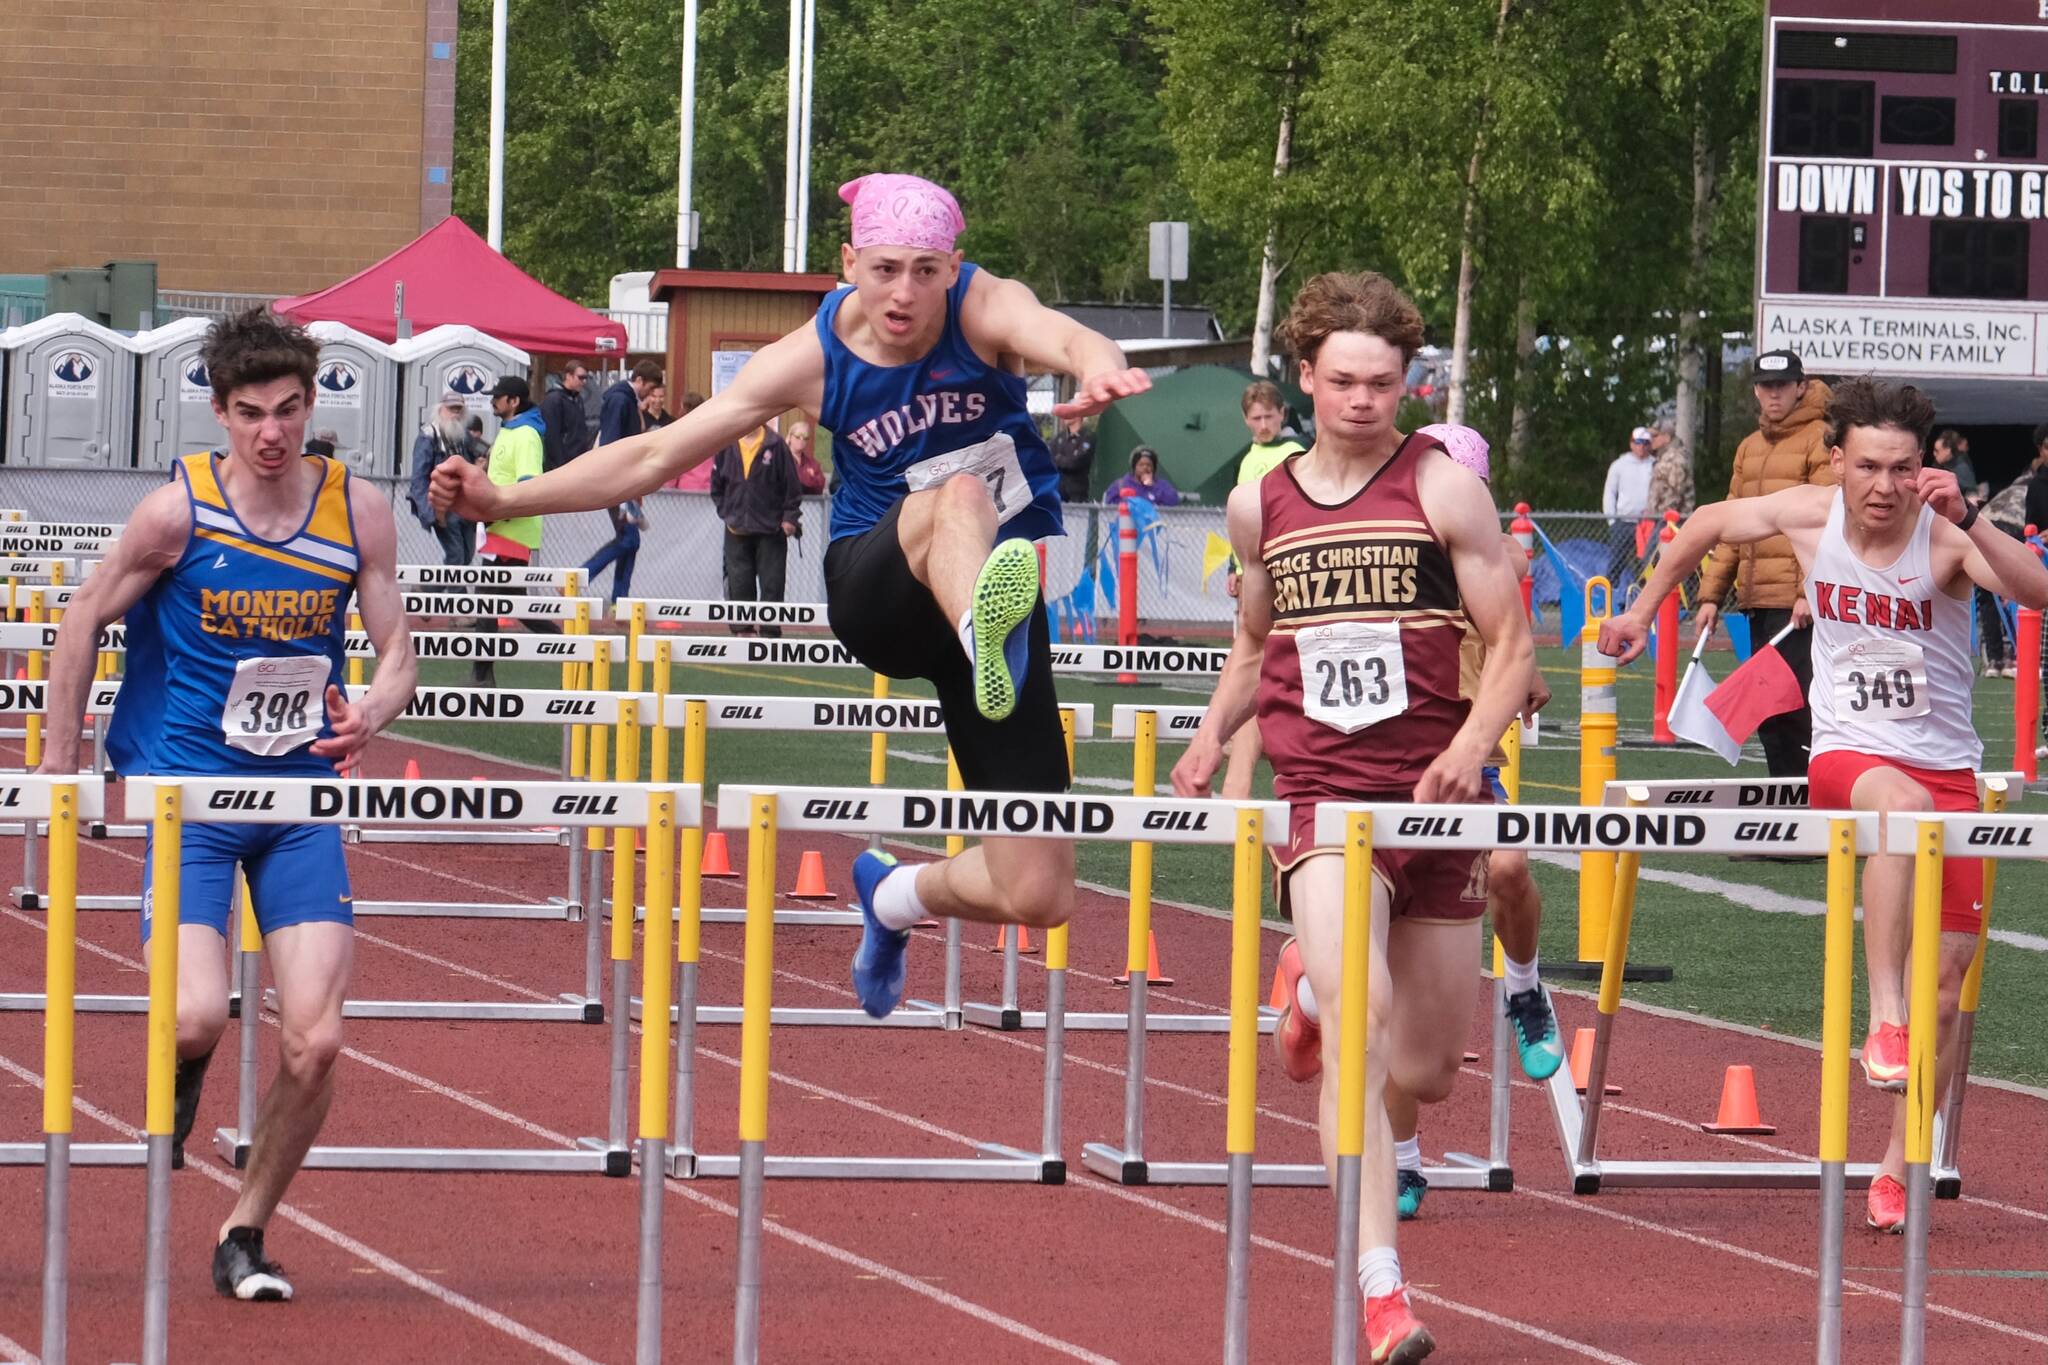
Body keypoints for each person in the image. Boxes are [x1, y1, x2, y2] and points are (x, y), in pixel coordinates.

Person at [433, 171, 1150, 1020]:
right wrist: (505, 498)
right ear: (848, 263)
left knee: (1039, 892)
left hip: (993, 618)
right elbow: (654, 455)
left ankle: (893, 896)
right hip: (880, 590)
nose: (904, 293)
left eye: (926, 271)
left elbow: (1060, 332)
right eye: (885, 270)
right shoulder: (810, 357)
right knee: (958, 493)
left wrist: (1099, 364)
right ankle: (980, 631)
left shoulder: (982, 306)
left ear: (953, 270)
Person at [1169, 271, 1533, 1362]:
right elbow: (1254, 644)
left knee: (1424, 1071)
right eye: (1342, 381)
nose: (1363, 400)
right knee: (1363, 1024)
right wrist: (1209, 732)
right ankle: (1381, 1287)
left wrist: (1469, 749)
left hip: (1435, 801)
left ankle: (1306, 995)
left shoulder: (1444, 489)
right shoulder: (1260, 506)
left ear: (1406, 382)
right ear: (1305, 376)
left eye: (1382, 382)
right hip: (1325, 797)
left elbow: (1513, 646)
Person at [1603, 377, 2048, 1235]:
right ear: (1838, 460)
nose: (1885, 486)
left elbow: (2035, 592)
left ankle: (1899, 1157)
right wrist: (1641, 609)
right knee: (1900, 809)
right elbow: (1705, 522)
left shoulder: (1945, 537)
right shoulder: (1812, 515)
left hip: (1948, 770)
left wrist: (1971, 515)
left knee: (1948, 990)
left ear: (1924, 467)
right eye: (1869, 466)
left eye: (1903, 468)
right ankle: (1883, 1015)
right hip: (1846, 755)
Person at [36, 308, 417, 1302]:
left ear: (312, 404)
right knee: (197, 1014)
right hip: (191, 802)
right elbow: (82, 616)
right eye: (251, 414)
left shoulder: (357, 512)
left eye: (288, 410)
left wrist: (372, 710)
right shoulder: (177, 514)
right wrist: (62, 762)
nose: (272, 432)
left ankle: (244, 1228)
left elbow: (396, 648)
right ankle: (182, 1065)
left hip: (298, 800)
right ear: (219, 413)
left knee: (317, 1041)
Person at [1693, 350, 1835, 777]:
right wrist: (1710, 596)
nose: (1774, 394)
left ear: (1800, 387)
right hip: (1758, 602)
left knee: (1800, 713)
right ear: (1756, 390)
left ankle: (1813, 804)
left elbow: (1828, 519)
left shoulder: (1820, 439)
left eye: (1782, 385)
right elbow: (1731, 523)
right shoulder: (1749, 447)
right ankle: (1788, 806)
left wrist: (1808, 590)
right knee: (1772, 717)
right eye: (1766, 386)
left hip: (1798, 609)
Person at [1220, 381, 1307, 802]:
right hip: (1251, 570)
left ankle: (1271, 729)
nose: (1263, 424)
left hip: (1283, 567)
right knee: (1247, 650)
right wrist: (1234, 566)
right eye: (1256, 418)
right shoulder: (1248, 459)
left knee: (1277, 652)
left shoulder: (1294, 453)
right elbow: (1240, 522)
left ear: (1282, 415)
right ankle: (1238, 729)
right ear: (1245, 420)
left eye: (1269, 416)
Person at [471, 374, 554, 684]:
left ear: (514, 401)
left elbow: (528, 487)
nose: (492, 401)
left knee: (488, 602)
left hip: (511, 532)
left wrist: (497, 515)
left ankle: (482, 677)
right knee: (510, 603)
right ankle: (572, 650)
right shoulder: (510, 431)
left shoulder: (526, 435)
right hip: (500, 530)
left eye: (498, 396)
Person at [710, 423, 802, 636]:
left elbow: (792, 485)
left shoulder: (776, 444)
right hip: (736, 530)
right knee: (739, 582)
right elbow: (716, 486)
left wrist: (789, 518)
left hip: (771, 529)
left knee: (772, 583)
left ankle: (770, 632)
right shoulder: (726, 445)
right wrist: (727, 513)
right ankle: (743, 630)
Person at [407, 394, 480, 566]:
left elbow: (481, 454)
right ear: (440, 410)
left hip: (466, 506)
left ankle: (438, 583)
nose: (455, 413)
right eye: (451, 409)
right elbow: (419, 478)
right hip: (444, 504)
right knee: (456, 556)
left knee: (467, 555)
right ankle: (453, 585)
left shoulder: (463, 436)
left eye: (459, 410)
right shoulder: (429, 436)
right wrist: (432, 512)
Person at [1602, 425, 1656, 586]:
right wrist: (1612, 520)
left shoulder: (1656, 465)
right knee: (1616, 562)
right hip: (1624, 522)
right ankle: (1610, 594)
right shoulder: (1619, 465)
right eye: (1638, 442)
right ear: (1631, 443)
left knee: (1648, 562)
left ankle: (1645, 595)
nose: (1641, 446)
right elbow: (1609, 493)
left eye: (1645, 443)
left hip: (1648, 523)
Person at [538, 362, 592, 472]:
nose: (584, 382)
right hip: (562, 463)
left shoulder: (577, 399)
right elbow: (551, 436)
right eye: (580, 377)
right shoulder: (553, 400)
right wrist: (560, 464)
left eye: (585, 378)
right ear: (568, 376)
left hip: (576, 459)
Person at [1646, 416, 1695, 519]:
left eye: (1654, 436)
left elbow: (1675, 494)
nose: (1650, 439)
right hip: (1661, 518)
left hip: (1671, 520)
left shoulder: (1675, 459)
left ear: (1666, 437)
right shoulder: (1664, 457)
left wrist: (1666, 519)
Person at [1102, 445, 1181, 506]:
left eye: (1149, 465)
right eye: (1141, 464)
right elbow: (1108, 506)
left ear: (1154, 468)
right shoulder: (1120, 484)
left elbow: (1173, 501)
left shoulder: (1162, 485)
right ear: (1134, 467)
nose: (1145, 468)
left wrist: (1152, 486)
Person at [1048, 413, 1096, 503]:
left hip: (1078, 493)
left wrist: (1059, 458)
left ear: (1079, 414)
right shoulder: (1059, 437)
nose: (1065, 416)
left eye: (1069, 412)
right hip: (1058, 491)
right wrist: (1065, 459)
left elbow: (1074, 463)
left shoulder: (1087, 437)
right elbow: (1049, 458)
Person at [787, 415, 828, 494]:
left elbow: (820, 486)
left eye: (805, 438)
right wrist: (809, 477)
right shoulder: (782, 460)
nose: (801, 441)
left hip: (809, 501)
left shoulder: (812, 463)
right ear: (790, 437)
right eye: (798, 437)